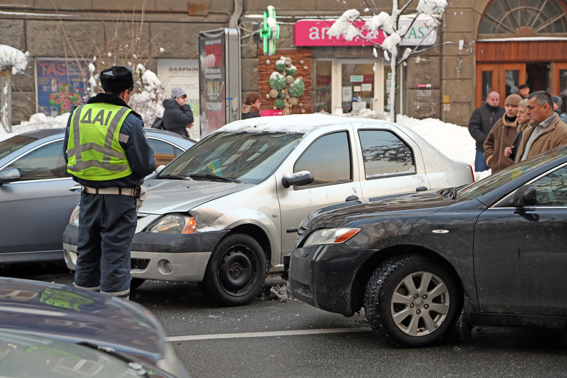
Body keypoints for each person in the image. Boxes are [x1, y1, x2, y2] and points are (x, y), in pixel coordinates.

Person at [64, 66, 156, 299]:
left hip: (88, 197)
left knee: (87, 255)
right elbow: (145, 165)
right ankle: (114, 319)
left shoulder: (78, 114)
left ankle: (86, 313)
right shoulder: (128, 119)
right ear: (126, 93)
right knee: (115, 257)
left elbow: (68, 153)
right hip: (119, 199)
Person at [515, 91, 567, 162]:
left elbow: (559, 168)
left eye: (531, 108)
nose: (527, 112)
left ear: (545, 107)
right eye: (527, 108)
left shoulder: (563, 132)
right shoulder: (529, 128)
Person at [483, 94, 521, 173]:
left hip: (515, 171)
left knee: (514, 185)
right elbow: (488, 143)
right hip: (497, 171)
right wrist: (491, 158)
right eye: (507, 105)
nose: (509, 109)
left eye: (514, 106)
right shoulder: (500, 123)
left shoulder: (523, 125)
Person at [468, 91, 505, 172]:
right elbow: (473, 128)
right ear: (487, 100)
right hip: (482, 149)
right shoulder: (479, 112)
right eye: (493, 99)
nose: (495, 102)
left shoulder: (503, 112)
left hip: (500, 150)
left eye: (497, 99)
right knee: (481, 174)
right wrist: (486, 139)